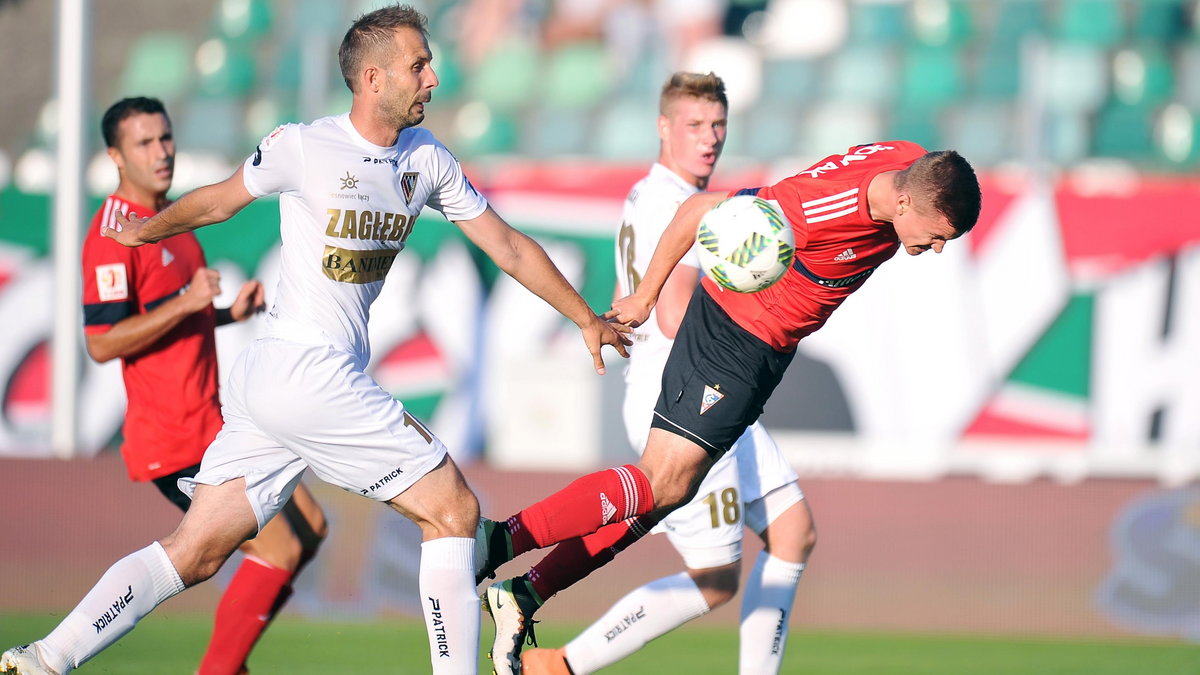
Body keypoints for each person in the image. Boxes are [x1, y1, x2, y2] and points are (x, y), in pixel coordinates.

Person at [0, 5, 629, 675]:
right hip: (306, 371)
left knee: (196, 549)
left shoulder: (428, 160)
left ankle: (46, 656)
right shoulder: (304, 145)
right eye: (418, 65)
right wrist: (144, 232)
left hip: (275, 383)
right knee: (453, 510)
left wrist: (584, 316)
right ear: (372, 77)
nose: (433, 78)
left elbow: (505, 243)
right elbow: (217, 201)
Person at [476, 138, 982, 673]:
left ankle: (527, 592)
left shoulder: (911, 163)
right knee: (664, 487)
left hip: (764, 351)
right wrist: (647, 297)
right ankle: (500, 542)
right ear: (904, 204)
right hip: (730, 340)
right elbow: (696, 211)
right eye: (937, 236)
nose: (938, 248)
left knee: (684, 501)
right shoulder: (816, 209)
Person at [519, 71, 817, 675]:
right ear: (663, 127)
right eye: (694, 125)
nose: (709, 139)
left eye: (718, 125)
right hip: (689, 397)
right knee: (713, 579)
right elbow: (676, 313)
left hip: (697, 390)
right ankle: (562, 661)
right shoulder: (676, 205)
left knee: (793, 533)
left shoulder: (651, 194)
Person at [78, 96, 328, 675]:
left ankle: (228, 661)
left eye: (165, 138)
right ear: (115, 156)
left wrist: (221, 315)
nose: (162, 152)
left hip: (212, 424)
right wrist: (189, 301)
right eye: (144, 143)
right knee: (279, 549)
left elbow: (169, 318)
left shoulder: (171, 224)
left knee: (311, 529)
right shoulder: (114, 236)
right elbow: (103, 342)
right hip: (173, 437)